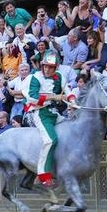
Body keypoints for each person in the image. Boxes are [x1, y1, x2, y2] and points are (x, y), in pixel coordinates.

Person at [21, 51, 76, 189]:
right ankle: (43, 176)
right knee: (51, 140)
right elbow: (32, 98)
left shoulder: (59, 77)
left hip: (54, 114)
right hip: (40, 113)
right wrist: (52, 97)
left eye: (50, 67)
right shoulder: (35, 77)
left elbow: (68, 91)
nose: (47, 69)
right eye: (45, 66)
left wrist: (72, 100)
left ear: (55, 67)